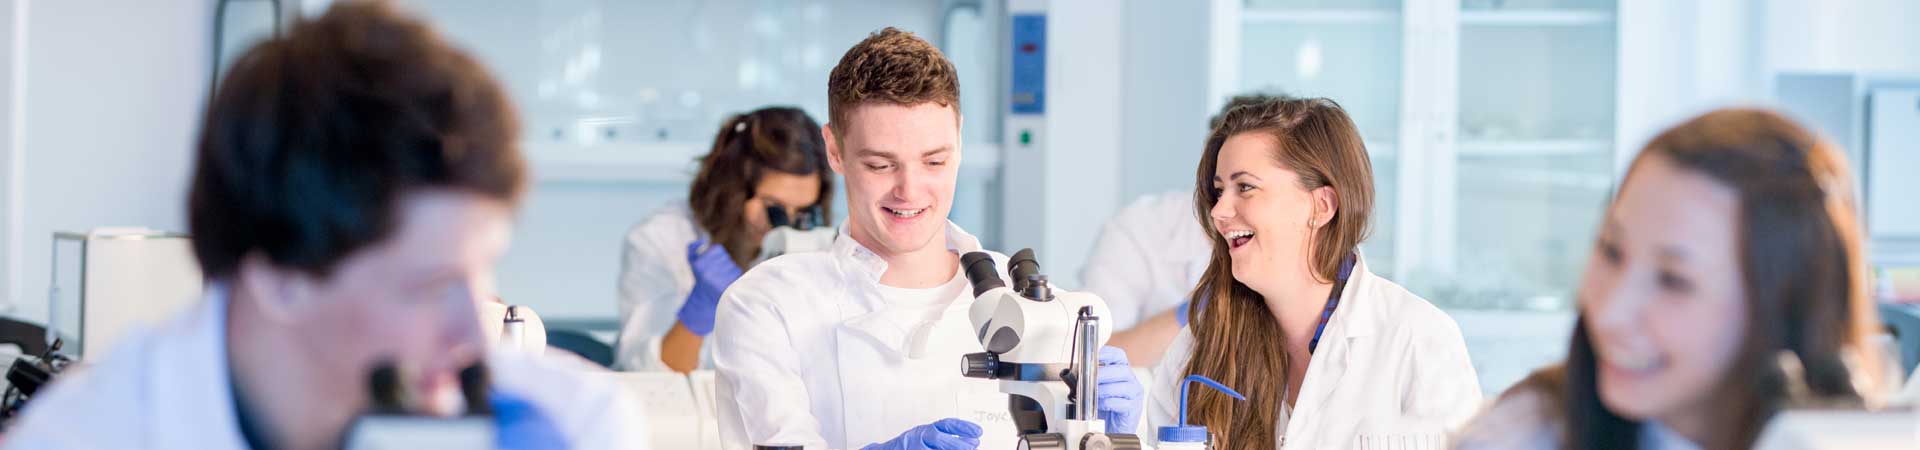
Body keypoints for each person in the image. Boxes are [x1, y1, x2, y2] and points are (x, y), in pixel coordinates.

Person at [0, 2, 646, 449]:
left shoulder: (571, 420)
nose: (476, 332)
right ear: (281, 278)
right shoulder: (93, 435)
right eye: (425, 287)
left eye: (482, 273)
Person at [710, 28, 1144, 450]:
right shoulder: (768, 305)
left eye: (934, 161)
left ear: (959, 140)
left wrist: (1113, 439)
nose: (910, 190)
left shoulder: (1038, 312)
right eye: (881, 165)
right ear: (835, 150)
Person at [1451, 108, 1892, 450]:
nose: (1610, 312)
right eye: (1611, 251)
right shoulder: (1521, 435)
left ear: (1784, 303)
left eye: (1673, 280)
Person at [1147, 96, 1482, 449]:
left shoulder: (1417, 339)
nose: (1219, 212)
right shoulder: (1201, 347)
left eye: (1244, 187)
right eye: (1218, 192)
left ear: (1321, 206)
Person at [614, 106, 833, 373]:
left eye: (802, 211)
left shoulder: (815, 245)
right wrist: (699, 312)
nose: (784, 226)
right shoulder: (660, 238)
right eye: (773, 206)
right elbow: (647, 376)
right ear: (734, 191)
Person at [1090, 93, 1284, 368]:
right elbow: (1096, 352)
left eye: (1247, 186)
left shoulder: (1304, 240)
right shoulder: (1140, 227)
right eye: (1220, 183)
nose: (1221, 210)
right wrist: (1192, 311)